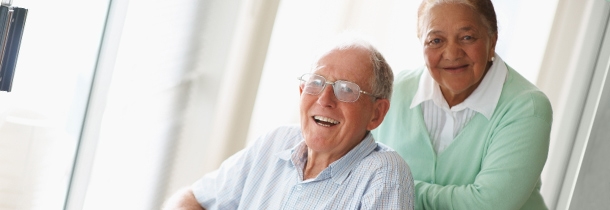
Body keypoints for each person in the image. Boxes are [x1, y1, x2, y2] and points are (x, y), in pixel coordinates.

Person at [163, 37, 415, 210]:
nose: (324, 99)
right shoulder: (275, 142)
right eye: (316, 83)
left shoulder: (383, 173)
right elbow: (191, 198)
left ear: (376, 114)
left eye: (346, 89)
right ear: (302, 91)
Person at [372, 0, 553, 209]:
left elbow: (488, 205)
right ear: (420, 42)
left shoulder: (528, 108)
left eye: (467, 37)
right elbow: (357, 171)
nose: (452, 53)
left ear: (492, 41)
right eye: (436, 40)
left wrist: (392, 188)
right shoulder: (394, 93)